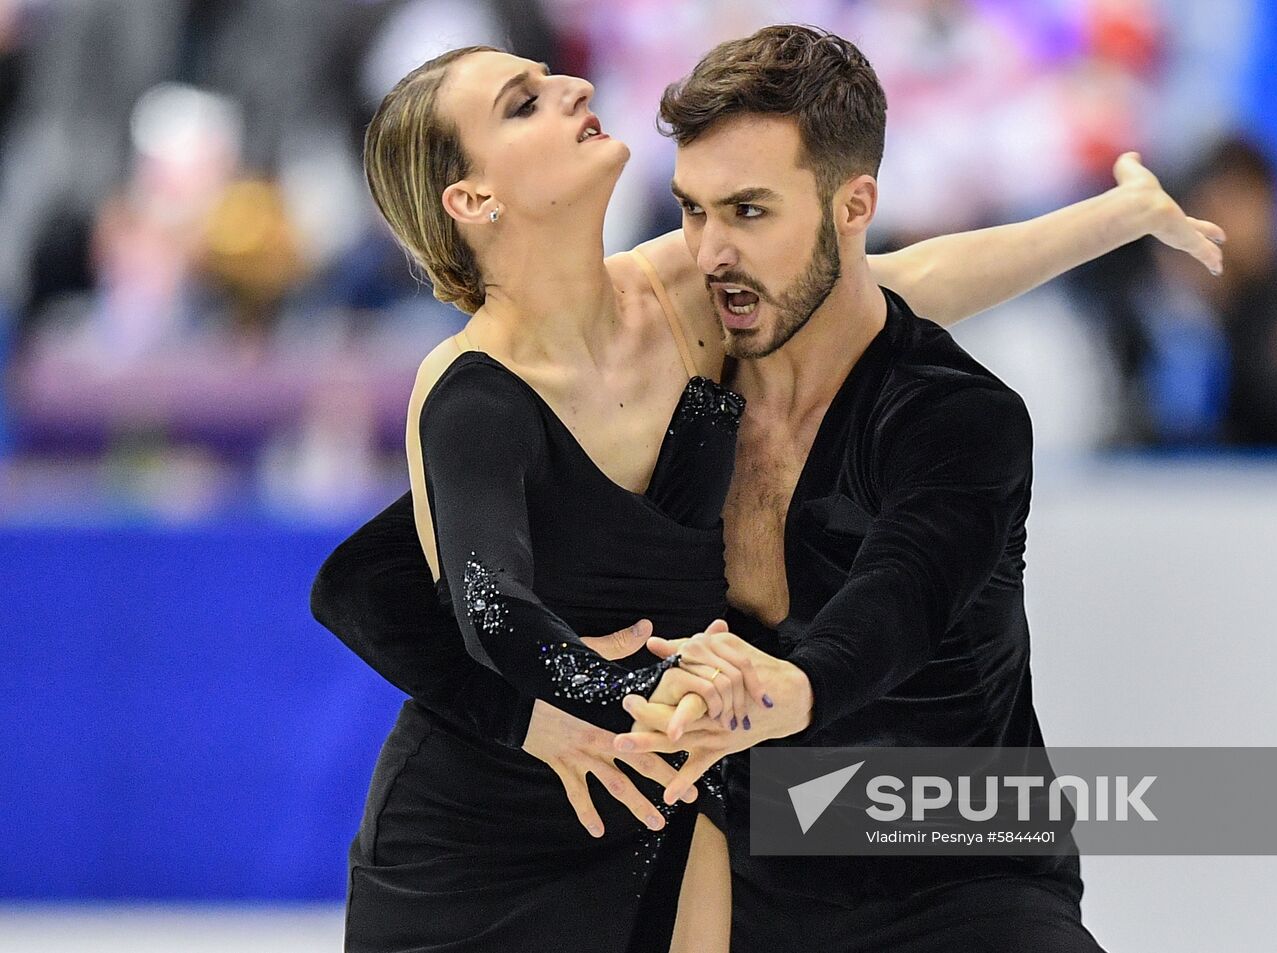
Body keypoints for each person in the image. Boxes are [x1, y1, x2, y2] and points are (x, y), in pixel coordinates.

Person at [311, 28, 1224, 953]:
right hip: (508, 825)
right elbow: (414, 591)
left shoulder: (686, 300)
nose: (575, 86)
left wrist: (1112, 217)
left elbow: (887, 280)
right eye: (523, 102)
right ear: (473, 196)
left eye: (743, 211)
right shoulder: (479, 388)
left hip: (768, 816)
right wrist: (562, 707)